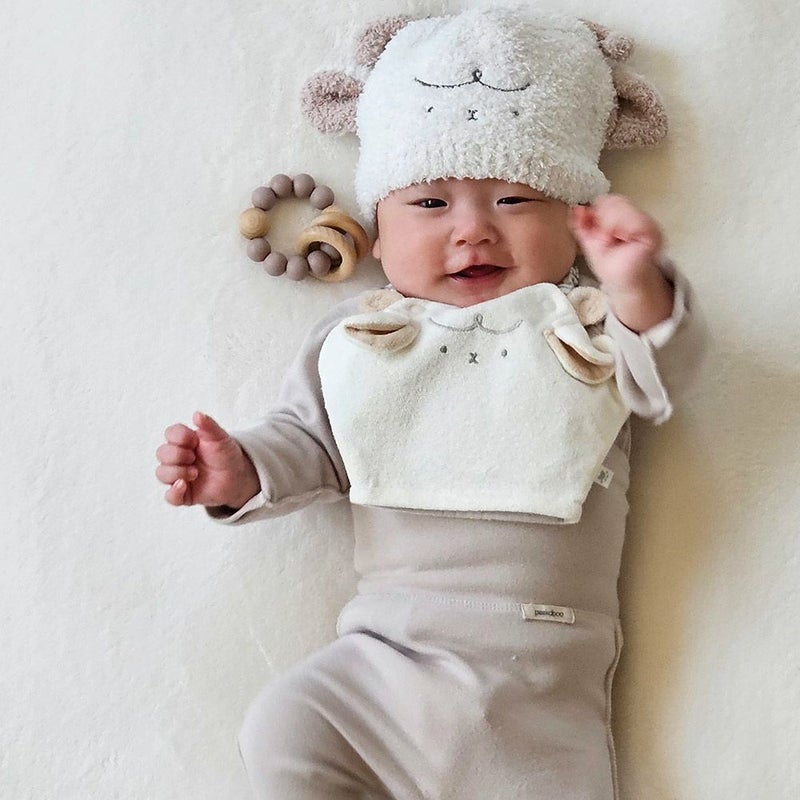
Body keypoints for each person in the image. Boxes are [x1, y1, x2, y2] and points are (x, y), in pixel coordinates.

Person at [155, 9, 704, 799]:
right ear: (376, 234)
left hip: (536, 666)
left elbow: (667, 367)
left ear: (575, 220)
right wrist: (238, 469)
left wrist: (636, 286)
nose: (473, 232)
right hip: (384, 654)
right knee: (286, 723)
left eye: (514, 199)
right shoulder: (363, 338)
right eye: (430, 204)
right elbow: (311, 441)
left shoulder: (584, 323)